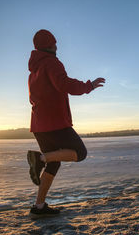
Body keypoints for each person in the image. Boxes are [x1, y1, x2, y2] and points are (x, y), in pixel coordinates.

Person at [27, 29, 105, 217]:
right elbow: (65, 84)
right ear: (50, 45)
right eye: (54, 42)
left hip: (39, 125)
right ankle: (39, 159)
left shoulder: (34, 70)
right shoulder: (52, 63)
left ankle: (38, 207)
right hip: (55, 122)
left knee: (55, 163)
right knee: (80, 153)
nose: (57, 45)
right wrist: (89, 86)